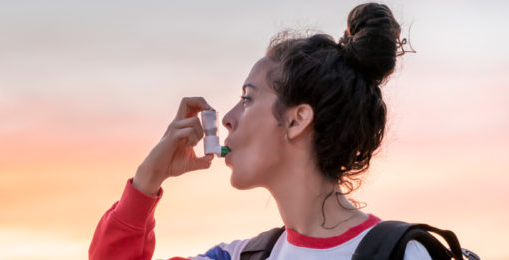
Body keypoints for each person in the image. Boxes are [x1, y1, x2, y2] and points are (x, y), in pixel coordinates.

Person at [89, 3, 430, 259]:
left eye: (247, 98)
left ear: (297, 120)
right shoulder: (238, 257)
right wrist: (147, 179)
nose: (228, 119)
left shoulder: (403, 254)